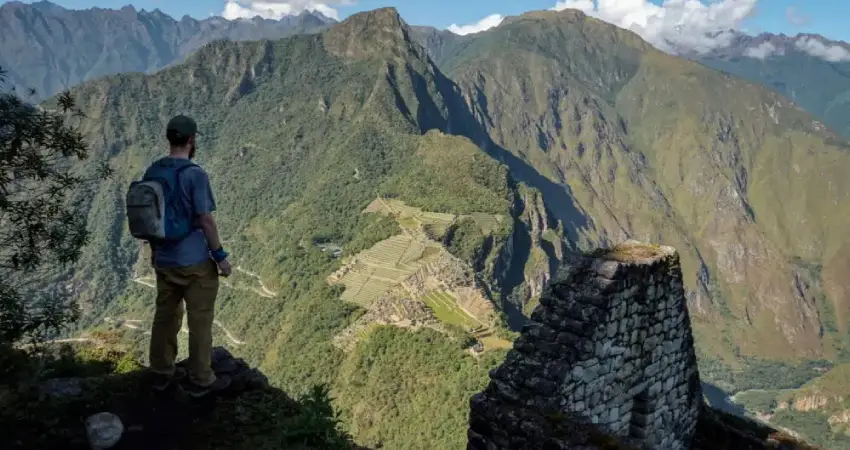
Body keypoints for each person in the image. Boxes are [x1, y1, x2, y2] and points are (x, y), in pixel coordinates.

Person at [146, 114, 232, 397]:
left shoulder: (153, 171)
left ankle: (160, 373)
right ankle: (200, 378)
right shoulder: (195, 174)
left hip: (164, 259)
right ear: (192, 140)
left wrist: (154, 253)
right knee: (200, 320)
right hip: (195, 263)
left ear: (169, 138)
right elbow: (205, 219)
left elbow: (148, 219)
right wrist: (220, 256)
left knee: (165, 317)